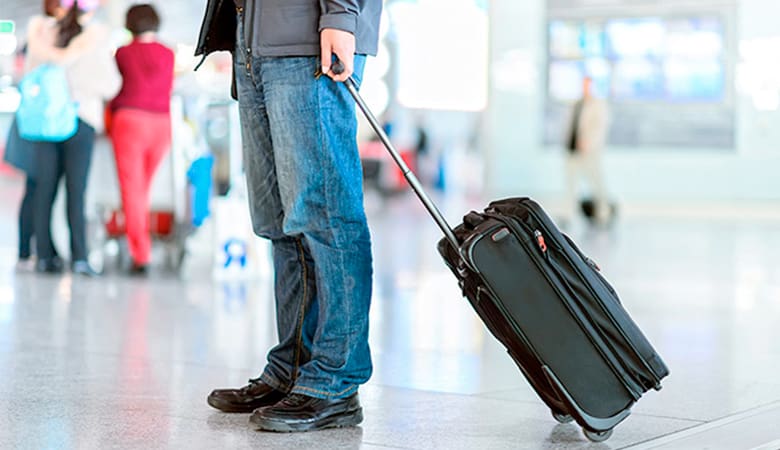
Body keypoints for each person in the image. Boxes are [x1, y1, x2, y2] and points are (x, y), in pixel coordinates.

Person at [196, 0, 382, 432]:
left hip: (307, 40)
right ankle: (293, 368)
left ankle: (336, 380)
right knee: (280, 220)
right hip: (253, 43)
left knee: (325, 215)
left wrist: (340, 15)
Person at [25, 0, 120, 275]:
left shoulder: (43, 35)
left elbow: (29, 75)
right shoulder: (95, 38)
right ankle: (79, 257)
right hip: (81, 118)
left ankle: (45, 256)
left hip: (48, 119)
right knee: (76, 191)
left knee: (44, 189)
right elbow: (111, 85)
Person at [109, 4, 174, 276]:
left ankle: (141, 255)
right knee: (143, 190)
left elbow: (115, 88)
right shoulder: (168, 54)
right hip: (162, 124)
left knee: (132, 191)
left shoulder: (123, 53)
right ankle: (140, 246)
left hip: (130, 121)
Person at [563, 76, 611, 226]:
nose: (585, 88)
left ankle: (603, 213)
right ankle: (570, 214)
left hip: (589, 151)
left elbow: (600, 128)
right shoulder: (576, 104)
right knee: (571, 184)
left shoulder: (598, 105)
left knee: (596, 182)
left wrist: (588, 143)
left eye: (588, 85)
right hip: (572, 150)